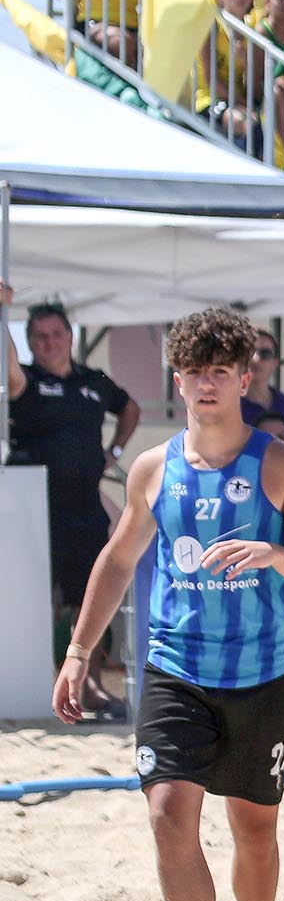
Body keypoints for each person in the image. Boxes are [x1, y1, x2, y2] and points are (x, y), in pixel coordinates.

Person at [51, 308, 284, 901]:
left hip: (258, 676)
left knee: (255, 831)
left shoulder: (283, 465)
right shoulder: (154, 468)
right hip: (174, 670)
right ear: (176, 380)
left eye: (219, 371)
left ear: (245, 377)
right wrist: (79, 650)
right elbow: (118, 560)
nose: (205, 383)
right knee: (168, 816)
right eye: (193, 371)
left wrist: (274, 556)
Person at [4, 292, 141, 720]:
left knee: (92, 595)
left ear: (71, 337)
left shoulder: (92, 381)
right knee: (39, 599)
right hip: (33, 512)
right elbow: (8, 370)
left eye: (56, 335)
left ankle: (91, 684)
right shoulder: (24, 379)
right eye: (39, 337)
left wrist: (114, 451)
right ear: (29, 341)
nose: (49, 343)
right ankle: (42, 681)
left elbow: (131, 407)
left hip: (84, 507)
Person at [242, 329, 284, 446]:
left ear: (275, 363)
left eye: (265, 353)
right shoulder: (231, 407)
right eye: (250, 352)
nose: (256, 359)